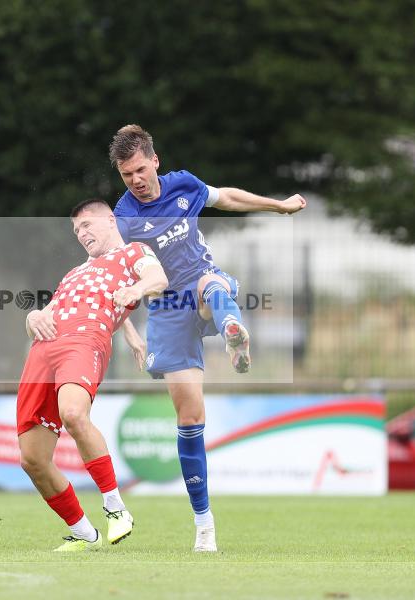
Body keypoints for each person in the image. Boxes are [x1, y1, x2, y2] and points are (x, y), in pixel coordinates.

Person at [109, 124, 306, 552]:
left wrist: (277, 206)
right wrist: (127, 330)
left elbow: (228, 197)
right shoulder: (123, 219)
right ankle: (204, 524)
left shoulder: (184, 185)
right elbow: (112, 280)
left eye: (141, 169)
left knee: (212, 283)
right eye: (127, 175)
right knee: (190, 418)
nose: (137, 180)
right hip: (165, 313)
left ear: (155, 161)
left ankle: (233, 332)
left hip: (199, 286)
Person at [17, 199, 168, 552]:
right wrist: (32, 317)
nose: (82, 234)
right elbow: (49, 313)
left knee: (73, 413)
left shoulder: (133, 253)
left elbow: (158, 277)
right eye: (76, 231)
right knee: (32, 459)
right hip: (43, 352)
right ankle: (85, 533)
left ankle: (116, 508)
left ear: (111, 219)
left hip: (84, 342)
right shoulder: (73, 273)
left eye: (87, 225)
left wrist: (136, 290)